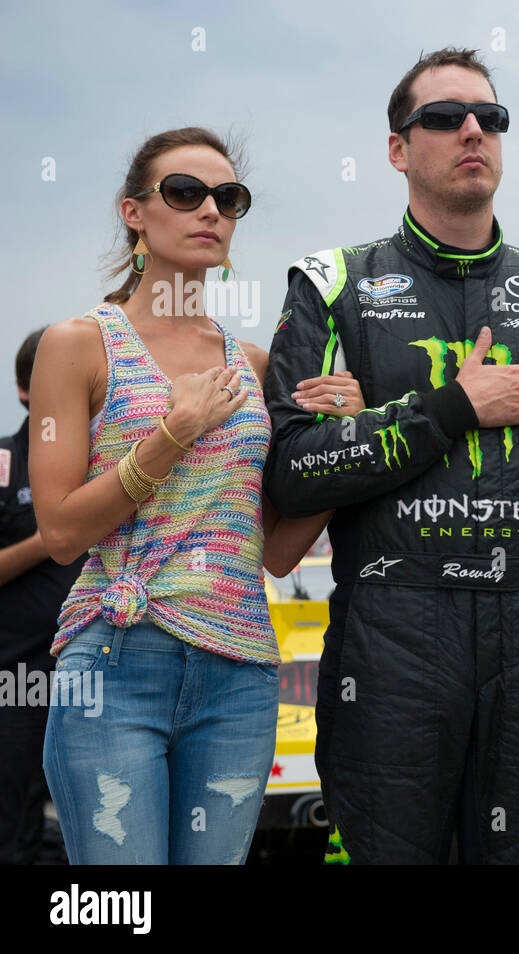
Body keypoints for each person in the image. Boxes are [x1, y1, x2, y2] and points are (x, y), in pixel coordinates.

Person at [263, 48, 519, 865]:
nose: (473, 130)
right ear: (399, 149)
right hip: (390, 634)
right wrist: (450, 410)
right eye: (443, 117)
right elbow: (292, 474)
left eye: (490, 117)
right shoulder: (332, 283)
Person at [29, 127, 363, 864]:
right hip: (117, 664)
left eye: (229, 198)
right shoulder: (79, 344)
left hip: (238, 674)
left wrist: (344, 454)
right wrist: (171, 433)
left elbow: (274, 553)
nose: (210, 209)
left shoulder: (255, 365)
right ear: (134, 213)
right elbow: (58, 533)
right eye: (185, 192)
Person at [0, 329, 86, 864]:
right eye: (45, 380)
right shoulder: (4, 461)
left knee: (103, 813)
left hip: (98, 663)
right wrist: (55, 533)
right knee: (15, 825)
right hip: (17, 674)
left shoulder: (104, 457)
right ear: (23, 390)